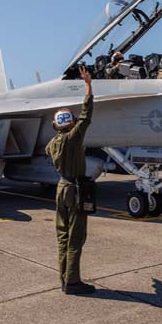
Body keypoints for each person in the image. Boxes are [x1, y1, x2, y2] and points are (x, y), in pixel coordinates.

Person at [45, 66, 95, 295]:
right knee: (75, 239)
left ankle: (64, 279)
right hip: (75, 189)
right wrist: (88, 86)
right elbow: (86, 116)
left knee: (62, 237)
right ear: (72, 124)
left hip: (62, 188)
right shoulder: (73, 139)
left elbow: (50, 151)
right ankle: (73, 283)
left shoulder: (52, 143)